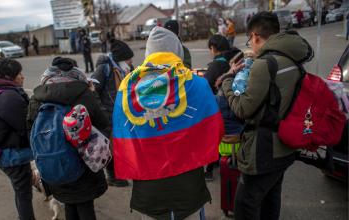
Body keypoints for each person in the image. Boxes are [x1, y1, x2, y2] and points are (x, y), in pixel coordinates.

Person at [112, 26, 224, 220]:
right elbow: (216, 130)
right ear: (177, 50)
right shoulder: (196, 83)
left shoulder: (126, 87)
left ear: (148, 53)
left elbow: (122, 138)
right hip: (189, 185)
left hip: (148, 189)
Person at [218, 11, 314, 220]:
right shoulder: (293, 57)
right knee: (271, 198)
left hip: (262, 151)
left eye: (249, 40)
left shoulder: (264, 64)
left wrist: (227, 81)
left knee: (245, 205)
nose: (250, 45)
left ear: (255, 36)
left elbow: (243, 108)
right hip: (285, 145)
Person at [27, 57, 109, 220]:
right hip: (83, 159)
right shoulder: (84, 92)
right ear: (75, 71)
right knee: (85, 205)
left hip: (53, 161)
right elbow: (103, 123)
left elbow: (30, 129)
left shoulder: (38, 96)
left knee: (68, 203)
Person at [0, 58, 35, 220]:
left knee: (21, 190)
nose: (22, 77)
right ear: (10, 77)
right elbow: (25, 126)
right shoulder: (9, 97)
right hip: (12, 155)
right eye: (19, 73)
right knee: (24, 193)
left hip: (6, 152)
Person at [91, 39, 134, 187]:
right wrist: (102, 112)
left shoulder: (124, 69)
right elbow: (93, 91)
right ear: (121, 59)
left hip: (121, 114)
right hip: (107, 114)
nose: (130, 61)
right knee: (109, 146)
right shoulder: (104, 68)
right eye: (128, 59)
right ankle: (112, 177)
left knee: (120, 145)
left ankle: (120, 172)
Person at [203, 34, 242, 180]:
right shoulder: (236, 58)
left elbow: (205, 85)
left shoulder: (215, 65)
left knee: (214, 135)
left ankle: (209, 169)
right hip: (236, 102)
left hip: (220, 105)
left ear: (213, 48)